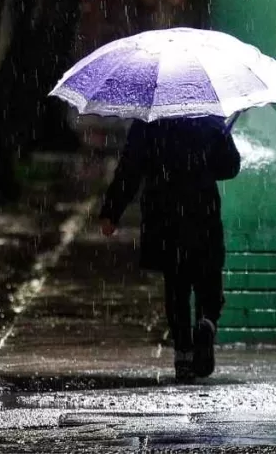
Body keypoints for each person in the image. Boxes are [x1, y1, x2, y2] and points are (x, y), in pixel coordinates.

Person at [98, 116, 241, 381]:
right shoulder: (208, 119)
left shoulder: (147, 122)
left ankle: (183, 354)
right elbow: (230, 167)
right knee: (208, 278)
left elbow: (130, 168)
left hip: (163, 212)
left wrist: (111, 212)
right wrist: (215, 148)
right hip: (202, 210)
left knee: (176, 286)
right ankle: (207, 322)